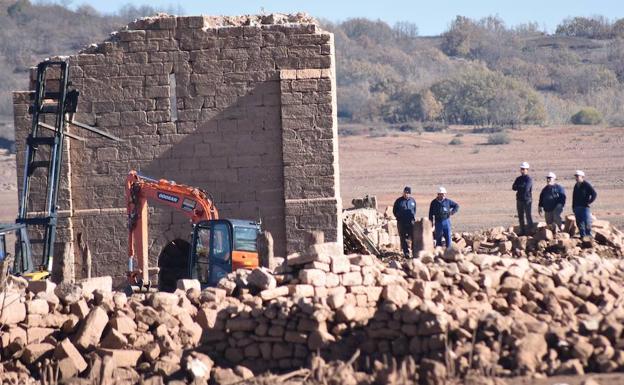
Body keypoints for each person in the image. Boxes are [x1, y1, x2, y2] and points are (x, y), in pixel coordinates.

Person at [393, 186, 417, 257]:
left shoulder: (412, 201)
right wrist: (398, 217)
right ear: (403, 192)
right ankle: (406, 252)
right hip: (401, 222)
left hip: (410, 222)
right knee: (403, 237)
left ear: (410, 193)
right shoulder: (398, 201)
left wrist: (412, 217)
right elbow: (394, 211)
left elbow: (414, 210)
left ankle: (414, 252)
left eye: (408, 193)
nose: (406, 194)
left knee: (413, 237)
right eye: (405, 192)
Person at [572, 170, 597, 238]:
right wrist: (573, 207)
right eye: (576, 176)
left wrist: (589, 201)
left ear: (582, 177)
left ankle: (588, 235)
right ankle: (582, 236)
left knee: (586, 221)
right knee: (579, 222)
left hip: (585, 207)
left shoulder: (586, 184)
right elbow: (574, 197)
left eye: (578, 176)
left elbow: (594, 194)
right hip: (577, 207)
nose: (576, 178)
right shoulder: (576, 185)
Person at [512, 162, 534, 235]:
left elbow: (526, 189)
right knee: (520, 216)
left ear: (527, 170)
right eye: (521, 169)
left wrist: (519, 186)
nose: (522, 170)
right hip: (519, 200)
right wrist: (520, 186)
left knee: (528, 216)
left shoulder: (529, 179)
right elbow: (513, 187)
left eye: (524, 169)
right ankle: (522, 231)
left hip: (527, 200)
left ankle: (530, 231)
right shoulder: (518, 178)